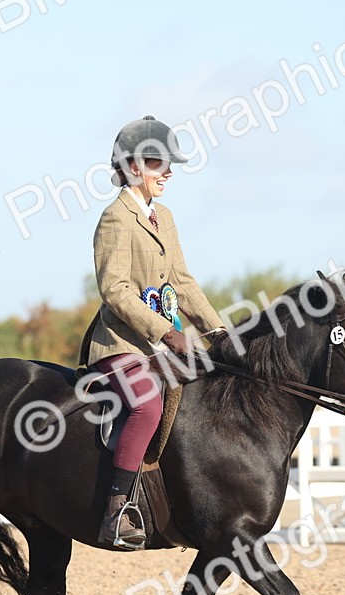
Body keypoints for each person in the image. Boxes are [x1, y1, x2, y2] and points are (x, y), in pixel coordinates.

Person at [85, 116, 225, 549]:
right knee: (146, 403)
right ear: (130, 168)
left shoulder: (163, 215)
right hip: (121, 344)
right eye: (155, 162)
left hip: (162, 342)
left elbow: (181, 281)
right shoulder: (116, 218)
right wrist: (165, 332)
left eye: (168, 163)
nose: (167, 171)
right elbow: (115, 290)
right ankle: (117, 511)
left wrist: (217, 330)